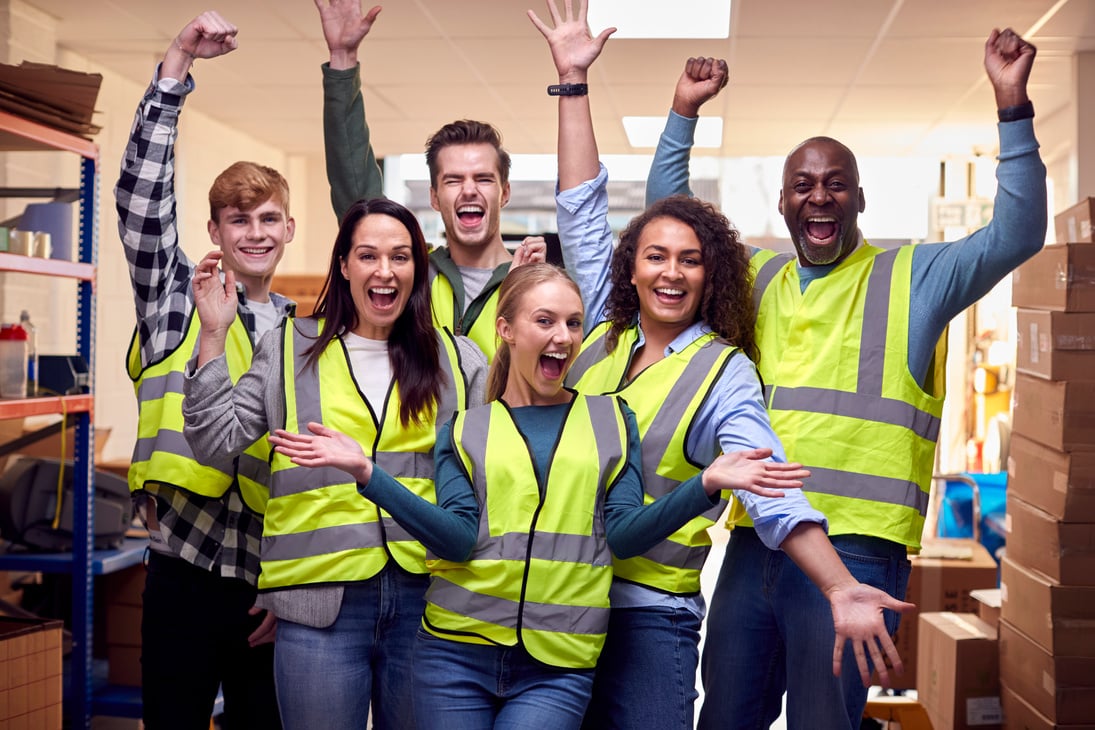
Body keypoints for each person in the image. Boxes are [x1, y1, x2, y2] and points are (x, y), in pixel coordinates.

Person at [644, 29, 1047, 730]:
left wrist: (1010, 106)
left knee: (823, 723)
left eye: (834, 185)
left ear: (858, 199)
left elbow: (1014, 233)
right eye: (802, 185)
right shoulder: (757, 277)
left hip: (858, 548)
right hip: (757, 536)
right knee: (724, 717)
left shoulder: (913, 276)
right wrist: (682, 112)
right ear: (781, 204)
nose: (818, 197)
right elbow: (670, 221)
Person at [530, 3, 919, 728]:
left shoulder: (722, 371)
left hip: (650, 615)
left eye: (690, 260)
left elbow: (769, 488)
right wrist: (573, 82)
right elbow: (581, 207)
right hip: (555, 598)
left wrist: (837, 588)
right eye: (655, 256)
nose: (671, 273)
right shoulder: (593, 334)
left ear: (713, 278)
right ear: (631, 267)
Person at [266, 262, 810, 729]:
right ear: (506, 329)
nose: (564, 337)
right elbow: (456, 540)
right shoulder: (463, 428)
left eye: (574, 323)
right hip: (454, 654)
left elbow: (623, 536)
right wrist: (367, 473)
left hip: (559, 663)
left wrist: (706, 484)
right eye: (545, 321)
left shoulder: (611, 419)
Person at [182, 197, 488, 729]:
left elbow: (488, 489)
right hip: (318, 607)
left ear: (418, 267)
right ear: (344, 266)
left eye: (400, 256)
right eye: (368, 255)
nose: (385, 271)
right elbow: (214, 442)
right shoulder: (288, 348)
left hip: (429, 600)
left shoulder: (458, 361)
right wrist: (212, 333)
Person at [115, 11, 286, 728]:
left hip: (263, 585)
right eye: (237, 220)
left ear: (288, 229)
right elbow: (142, 203)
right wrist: (177, 66)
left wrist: (288, 588)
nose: (254, 233)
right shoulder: (173, 304)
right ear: (214, 230)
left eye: (268, 218)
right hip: (182, 568)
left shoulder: (302, 333)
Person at [314, 0, 545, 360]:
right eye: (453, 180)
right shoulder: (411, 274)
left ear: (505, 193)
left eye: (483, 178)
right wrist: (343, 60)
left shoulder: (534, 280)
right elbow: (356, 187)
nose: (469, 189)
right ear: (435, 198)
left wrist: (526, 287)